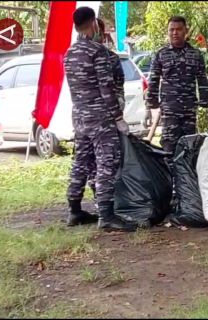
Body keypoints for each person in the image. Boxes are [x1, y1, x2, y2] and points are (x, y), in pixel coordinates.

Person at [64, 7, 135, 231]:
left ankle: (74, 210)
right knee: (107, 162)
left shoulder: (70, 54)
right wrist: (118, 117)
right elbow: (106, 89)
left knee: (81, 162)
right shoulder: (97, 52)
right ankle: (106, 214)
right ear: (94, 23)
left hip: (80, 117)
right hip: (100, 118)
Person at [145, 16, 208, 172]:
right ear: (168, 32)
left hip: (189, 111)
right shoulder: (161, 55)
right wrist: (149, 108)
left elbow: (202, 81)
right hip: (170, 111)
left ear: (186, 31)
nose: (175, 33)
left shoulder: (195, 55)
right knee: (169, 149)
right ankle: (171, 187)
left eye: (178, 29)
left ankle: (187, 186)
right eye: (171, 30)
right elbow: (153, 82)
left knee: (189, 148)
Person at [86, 18, 126, 202]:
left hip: (109, 117)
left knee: (110, 158)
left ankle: (110, 200)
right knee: (91, 161)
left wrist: (119, 107)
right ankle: (99, 199)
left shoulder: (112, 58)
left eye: (100, 32)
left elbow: (118, 85)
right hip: (89, 118)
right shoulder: (82, 56)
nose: (98, 36)